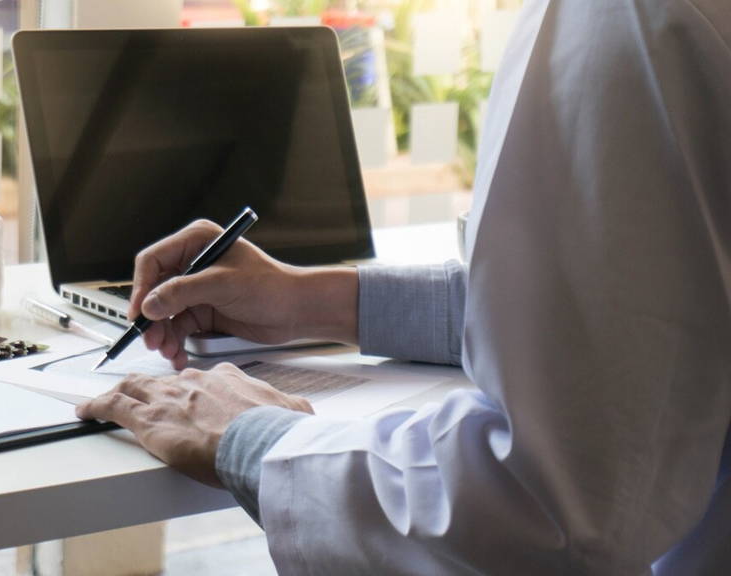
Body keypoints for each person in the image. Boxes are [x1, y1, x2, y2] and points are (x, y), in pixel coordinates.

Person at [76, 0, 731, 573]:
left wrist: (247, 438)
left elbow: (551, 520)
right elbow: (646, 298)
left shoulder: (628, 16)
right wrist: (315, 300)